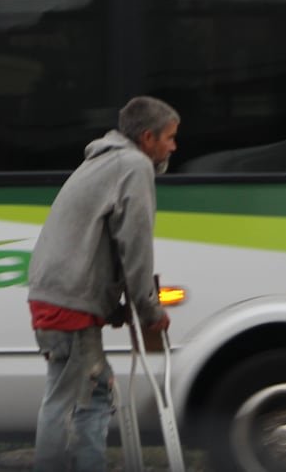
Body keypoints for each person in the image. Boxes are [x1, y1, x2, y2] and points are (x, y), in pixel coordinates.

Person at [27, 95, 180, 472]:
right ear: (148, 138)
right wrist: (149, 309)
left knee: (89, 392)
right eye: (170, 138)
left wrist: (113, 308)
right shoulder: (132, 166)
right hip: (68, 301)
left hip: (57, 295)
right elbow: (135, 243)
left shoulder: (104, 162)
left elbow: (98, 243)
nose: (174, 146)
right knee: (70, 399)